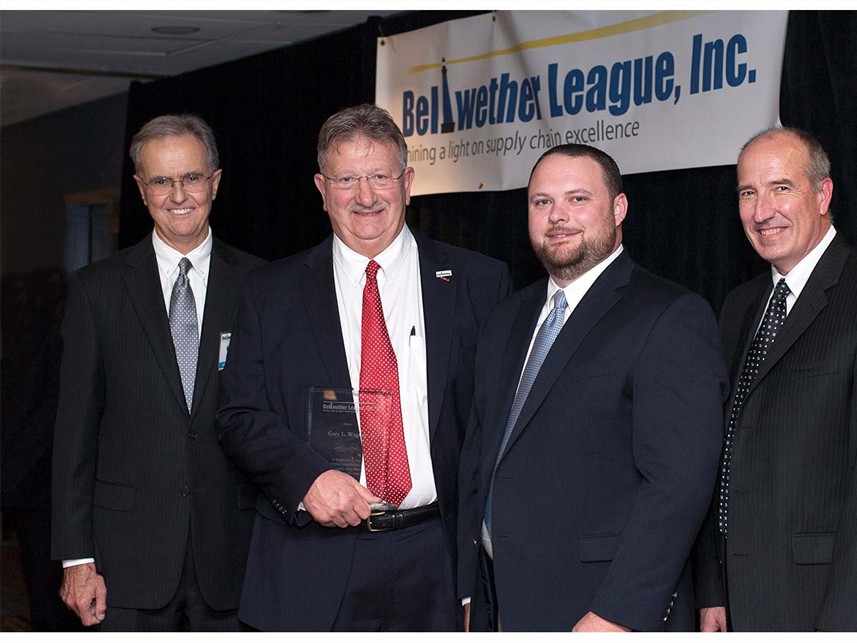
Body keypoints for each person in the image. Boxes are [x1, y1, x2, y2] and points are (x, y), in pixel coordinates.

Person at [216, 103, 511, 631]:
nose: (366, 196)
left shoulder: (478, 283)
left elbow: (499, 429)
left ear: (408, 181)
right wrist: (305, 478)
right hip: (310, 559)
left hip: (437, 559)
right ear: (321, 188)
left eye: (379, 176)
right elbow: (238, 413)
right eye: (347, 179)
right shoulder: (270, 292)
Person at [459, 143, 728, 631]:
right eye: (542, 202)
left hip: (601, 611)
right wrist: (468, 590)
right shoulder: (505, 319)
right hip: (501, 603)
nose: (557, 216)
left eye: (577, 199)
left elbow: (678, 485)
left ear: (618, 209)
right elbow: (480, 462)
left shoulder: (669, 315)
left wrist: (617, 614)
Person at [694, 127, 857, 632]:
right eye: (748, 192)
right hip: (735, 607)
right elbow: (716, 456)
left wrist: (846, 622)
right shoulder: (738, 307)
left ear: (823, 195)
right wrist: (712, 589)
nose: (762, 211)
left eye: (781, 187)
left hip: (824, 609)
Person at [50, 114, 265, 630]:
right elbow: (74, 433)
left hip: (236, 557)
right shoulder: (96, 290)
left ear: (215, 182)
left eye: (191, 177)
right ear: (141, 190)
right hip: (127, 561)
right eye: (162, 181)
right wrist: (76, 559)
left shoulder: (264, 286)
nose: (178, 195)